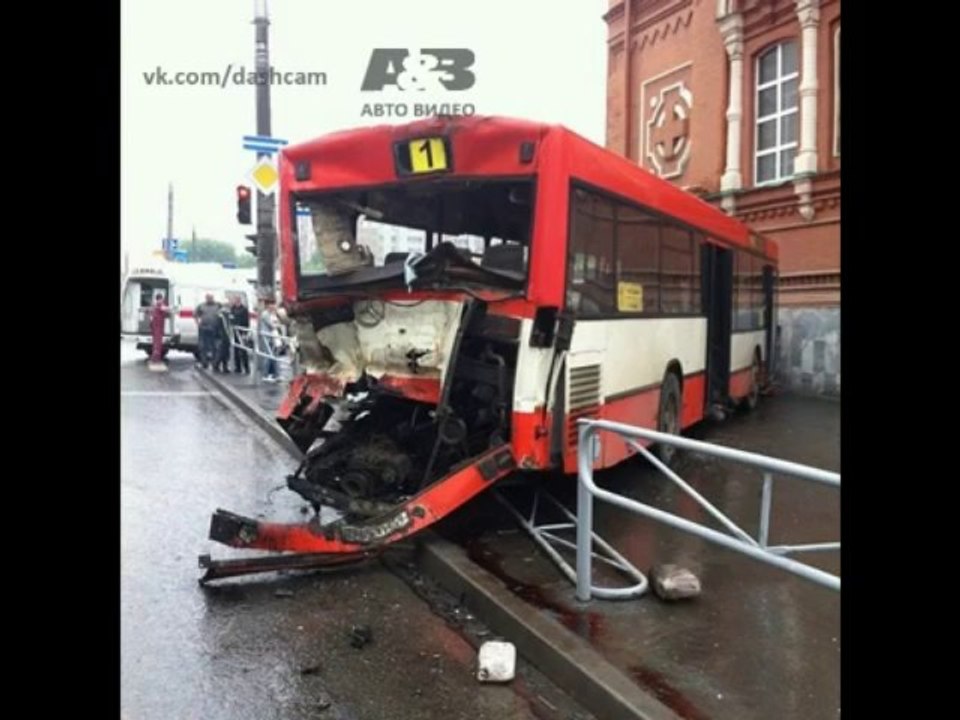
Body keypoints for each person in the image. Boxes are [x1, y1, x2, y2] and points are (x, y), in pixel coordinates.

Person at [194, 293, 222, 369]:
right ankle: (204, 363)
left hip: (215, 329)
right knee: (203, 347)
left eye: (211, 297)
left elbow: (224, 312)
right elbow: (195, 314)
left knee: (214, 347)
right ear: (206, 298)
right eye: (208, 298)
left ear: (213, 298)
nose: (209, 299)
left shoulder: (218, 305)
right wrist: (197, 323)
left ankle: (214, 364)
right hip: (203, 329)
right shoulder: (201, 305)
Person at [258, 298, 279, 382]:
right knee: (268, 356)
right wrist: (277, 324)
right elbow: (272, 325)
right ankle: (265, 375)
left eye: (274, 304)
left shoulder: (272, 314)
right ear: (267, 305)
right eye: (272, 304)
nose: (273, 306)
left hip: (272, 336)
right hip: (266, 336)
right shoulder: (265, 314)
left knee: (274, 356)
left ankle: (275, 374)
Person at [229, 295, 251, 375]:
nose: (236, 301)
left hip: (241, 331)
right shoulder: (232, 309)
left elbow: (246, 321)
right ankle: (238, 368)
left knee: (243, 350)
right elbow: (230, 318)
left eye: (237, 300)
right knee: (236, 350)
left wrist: (246, 332)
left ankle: (246, 368)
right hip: (234, 331)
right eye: (235, 300)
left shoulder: (244, 309)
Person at [149, 293, 170, 365]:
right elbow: (165, 309)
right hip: (158, 327)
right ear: (159, 299)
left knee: (155, 343)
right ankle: (156, 358)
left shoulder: (154, 306)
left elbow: (151, 316)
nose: (162, 300)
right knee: (158, 343)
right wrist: (170, 308)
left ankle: (154, 357)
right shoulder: (159, 305)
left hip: (155, 327)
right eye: (161, 299)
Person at [214, 303, 232, 373]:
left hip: (227, 335)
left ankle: (225, 367)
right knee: (221, 352)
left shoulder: (228, 314)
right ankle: (216, 365)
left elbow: (231, 323)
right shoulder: (220, 315)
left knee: (226, 352)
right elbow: (217, 326)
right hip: (222, 335)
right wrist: (219, 334)